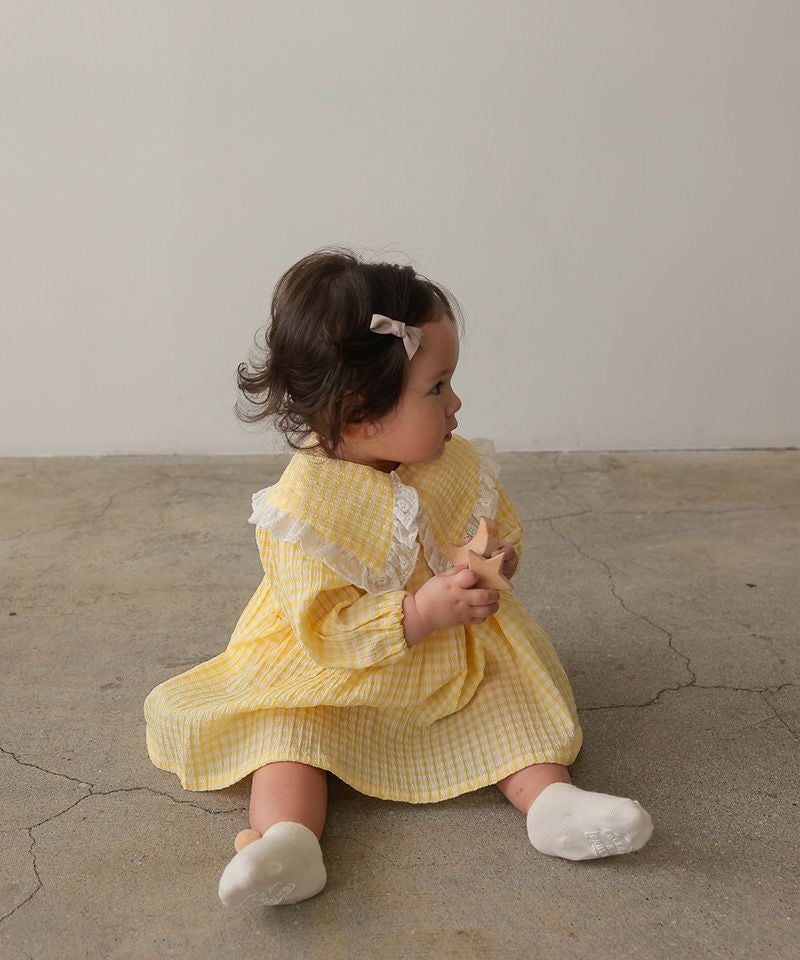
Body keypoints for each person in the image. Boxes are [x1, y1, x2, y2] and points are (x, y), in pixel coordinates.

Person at [144, 248, 653, 909]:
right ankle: (287, 840)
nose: (456, 402)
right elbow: (323, 630)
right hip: (334, 666)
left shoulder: (449, 463)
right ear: (359, 413)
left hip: (453, 655)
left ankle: (551, 803)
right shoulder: (303, 509)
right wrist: (416, 613)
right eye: (438, 388)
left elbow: (493, 531)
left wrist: (493, 561)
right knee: (288, 731)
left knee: (510, 697)